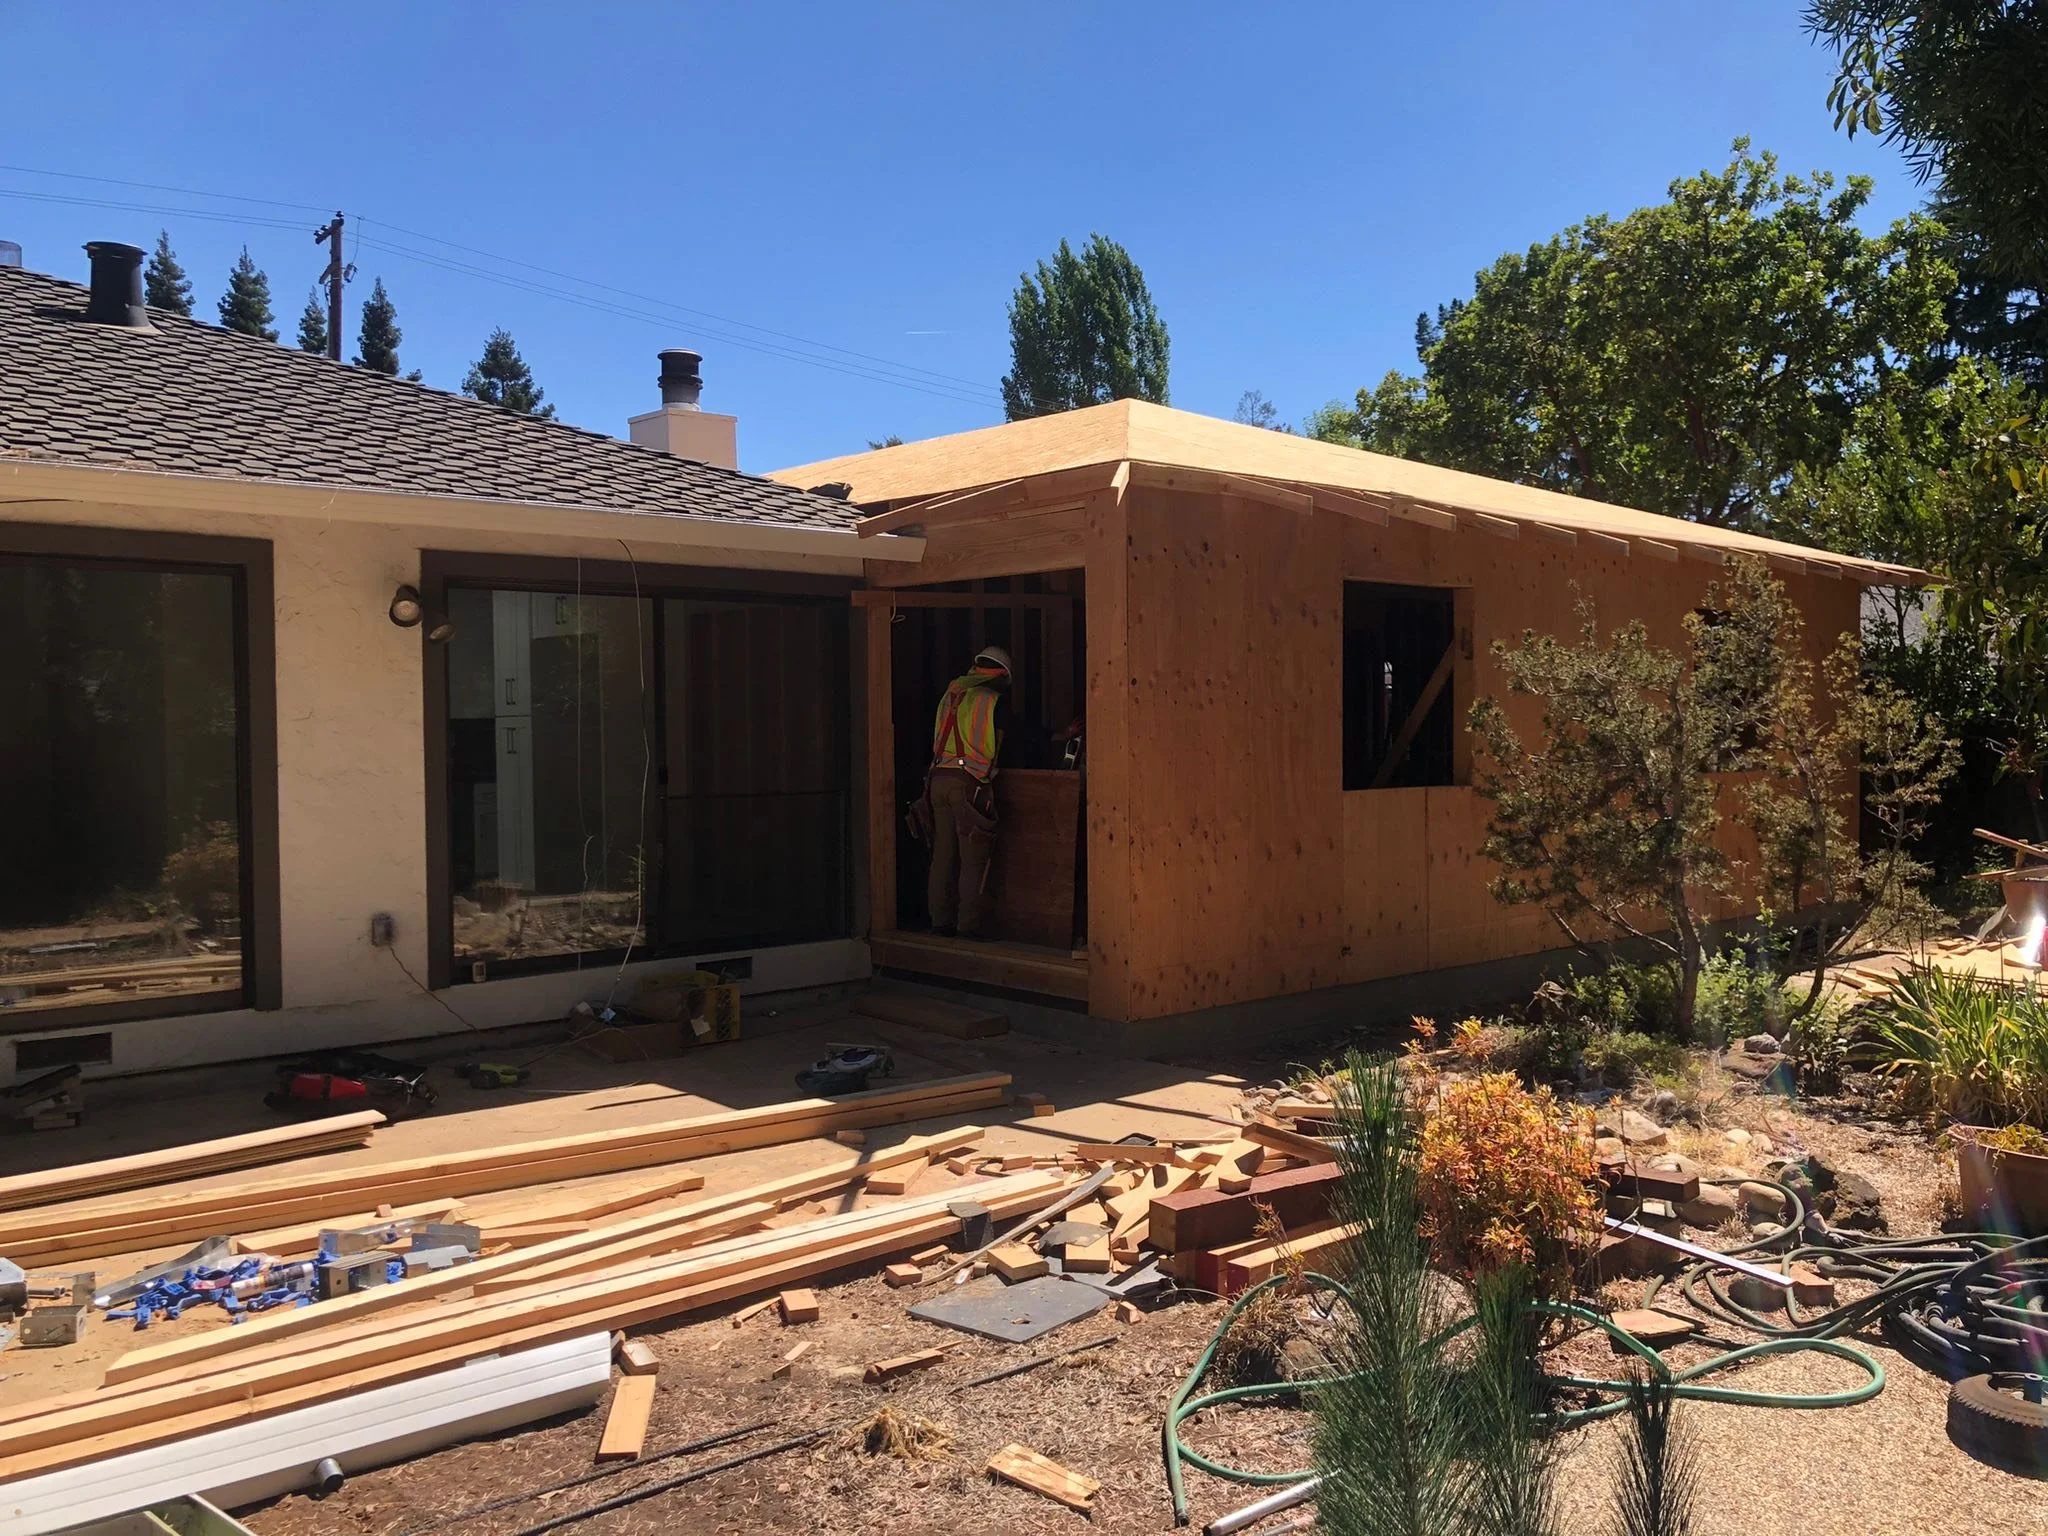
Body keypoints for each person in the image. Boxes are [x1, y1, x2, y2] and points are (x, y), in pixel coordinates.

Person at [925, 644, 1013, 938]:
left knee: (943, 855)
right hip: (968, 785)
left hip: (937, 780)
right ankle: (968, 928)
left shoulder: (950, 695)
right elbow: (1000, 747)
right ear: (1001, 676)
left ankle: (940, 922)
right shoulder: (992, 700)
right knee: (972, 858)